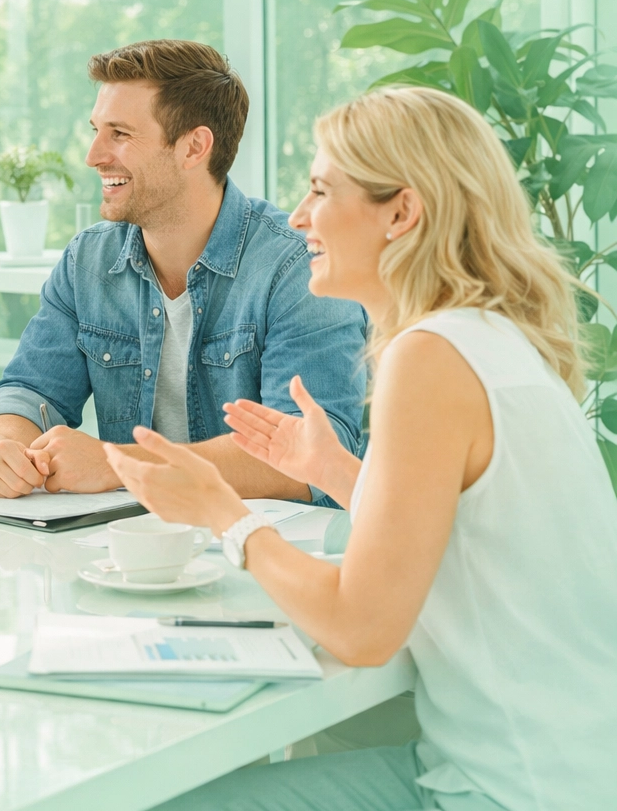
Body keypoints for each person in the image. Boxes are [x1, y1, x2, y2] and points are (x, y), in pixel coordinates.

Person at [115, 87, 617, 810]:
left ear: (402, 213)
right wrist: (336, 472)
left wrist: (224, 515)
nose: (297, 217)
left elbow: (362, 629)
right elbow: (476, 537)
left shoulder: (430, 355)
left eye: (321, 189)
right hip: (564, 772)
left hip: (511, 791)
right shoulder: (492, 338)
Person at [0, 39, 367, 503]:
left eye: (119, 133)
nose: (94, 155)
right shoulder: (88, 260)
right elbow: (27, 390)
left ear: (194, 147)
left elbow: (317, 458)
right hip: (128, 547)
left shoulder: (298, 268)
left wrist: (119, 464)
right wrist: (2, 447)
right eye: (97, 129)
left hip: (261, 550)